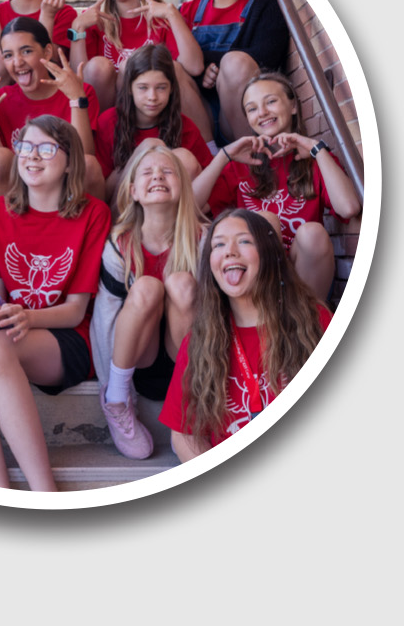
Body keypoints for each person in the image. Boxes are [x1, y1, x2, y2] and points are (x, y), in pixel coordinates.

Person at [0, 116, 111, 491]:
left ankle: (43, 490)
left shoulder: (92, 213)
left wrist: (25, 317)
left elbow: (75, 311)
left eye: (47, 149)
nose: (33, 157)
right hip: (13, 330)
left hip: (65, 338)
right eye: (27, 147)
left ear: (69, 161)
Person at [161, 208, 331, 461]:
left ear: (270, 254)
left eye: (244, 241)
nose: (229, 251)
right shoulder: (199, 340)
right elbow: (184, 434)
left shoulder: (315, 321)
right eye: (218, 244)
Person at [193, 72, 357, 299]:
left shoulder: (316, 160)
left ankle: (308, 321)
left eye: (270, 101)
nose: (262, 113)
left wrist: (316, 149)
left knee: (313, 233)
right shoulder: (240, 165)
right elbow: (189, 207)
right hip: (253, 276)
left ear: (293, 106)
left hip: (304, 277)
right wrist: (224, 155)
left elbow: (348, 207)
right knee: (263, 221)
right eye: (252, 108)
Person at [89, 143, 205, 458]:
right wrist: (109, 383)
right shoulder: (120, 243)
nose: (158, 176)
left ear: (183, 186)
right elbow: (105, 320)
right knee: (147, 288)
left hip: (187, 362)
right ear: (133, 191)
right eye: (148, 172)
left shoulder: (202, 240)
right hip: (138, 360)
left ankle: (197, 400)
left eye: (167, 171)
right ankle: (116, 401)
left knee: (182, 284)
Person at [71, 0, 208, 135]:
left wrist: (172, 14)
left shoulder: (164, 17)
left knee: (170, 67)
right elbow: (78, 81)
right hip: (113, 125)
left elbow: (195, 67)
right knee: (98, 67)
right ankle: (96, 144)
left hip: (161, 116)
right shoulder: (94, 21)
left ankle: (208, 151)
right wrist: (78, 29)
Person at [179, 0, 290, 143]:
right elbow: (173, 56)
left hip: (247, 110)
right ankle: (209, 155)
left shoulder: (265, 5)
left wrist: (211, 63)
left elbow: (268, 55)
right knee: (172, 68)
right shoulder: (188, 11)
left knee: (235, 62)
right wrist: (200, 74)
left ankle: (254, 157)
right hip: (202, 113)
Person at [0, 17, 103, 201]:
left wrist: (76, 99)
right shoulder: (1, 99)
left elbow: (84, 159)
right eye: (8, 55)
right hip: (22, 190)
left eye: (26, 51)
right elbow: (1, 167)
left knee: (89, 163)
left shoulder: (79, 91)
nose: (17, 62)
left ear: (47, 51)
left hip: (65, 189)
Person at [92, 44, 212, 192]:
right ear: (129, 88)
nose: (152, 97)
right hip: (123, 206)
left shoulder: (184, 126)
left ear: (171, 88)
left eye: (161, 87)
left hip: (171, 207)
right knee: (150, 146)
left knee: (183, 158)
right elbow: (101, 189)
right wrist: (140, 156)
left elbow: (211, 179)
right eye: (143, 87)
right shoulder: (109, 122)